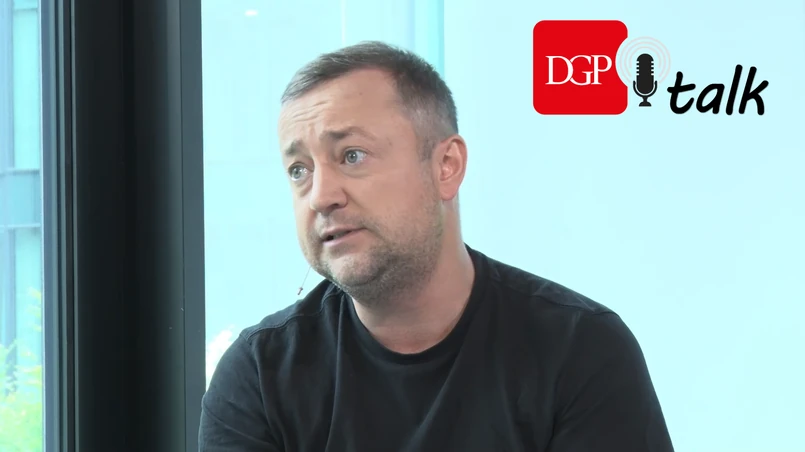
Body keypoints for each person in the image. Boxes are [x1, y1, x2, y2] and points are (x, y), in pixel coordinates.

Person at [199, 41, 675, 452]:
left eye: (352, 155)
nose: (321, 196)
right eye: (299, 170)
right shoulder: (258, 377)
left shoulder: (580, 351)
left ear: (446, 166)